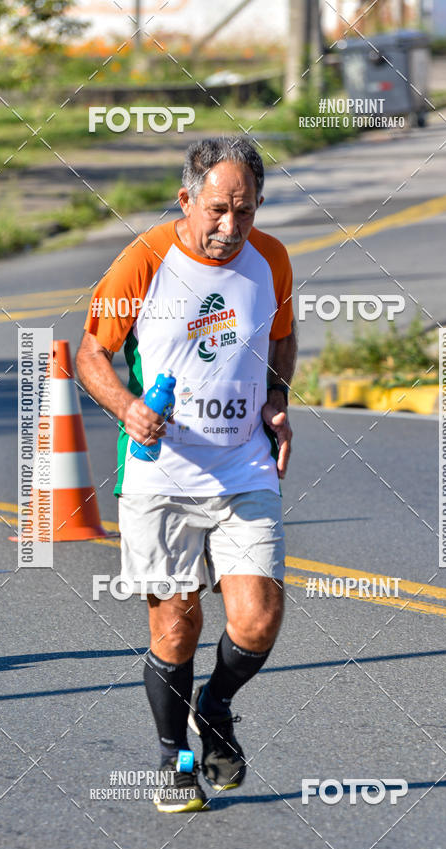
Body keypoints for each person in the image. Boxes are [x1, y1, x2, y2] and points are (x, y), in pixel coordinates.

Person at [76, 137, 296, 813]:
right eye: (219, 210)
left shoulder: (273, 259)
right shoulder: (144, 261)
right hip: (161, 473)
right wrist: (128, 408)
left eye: (246, 211)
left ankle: (216, 705)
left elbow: (282, 334)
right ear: (186, 200)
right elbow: (92, 353)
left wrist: (279, 399)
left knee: (257, 620)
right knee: (176, 625)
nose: (231, 227)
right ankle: (173, 762)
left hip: (243, 464)